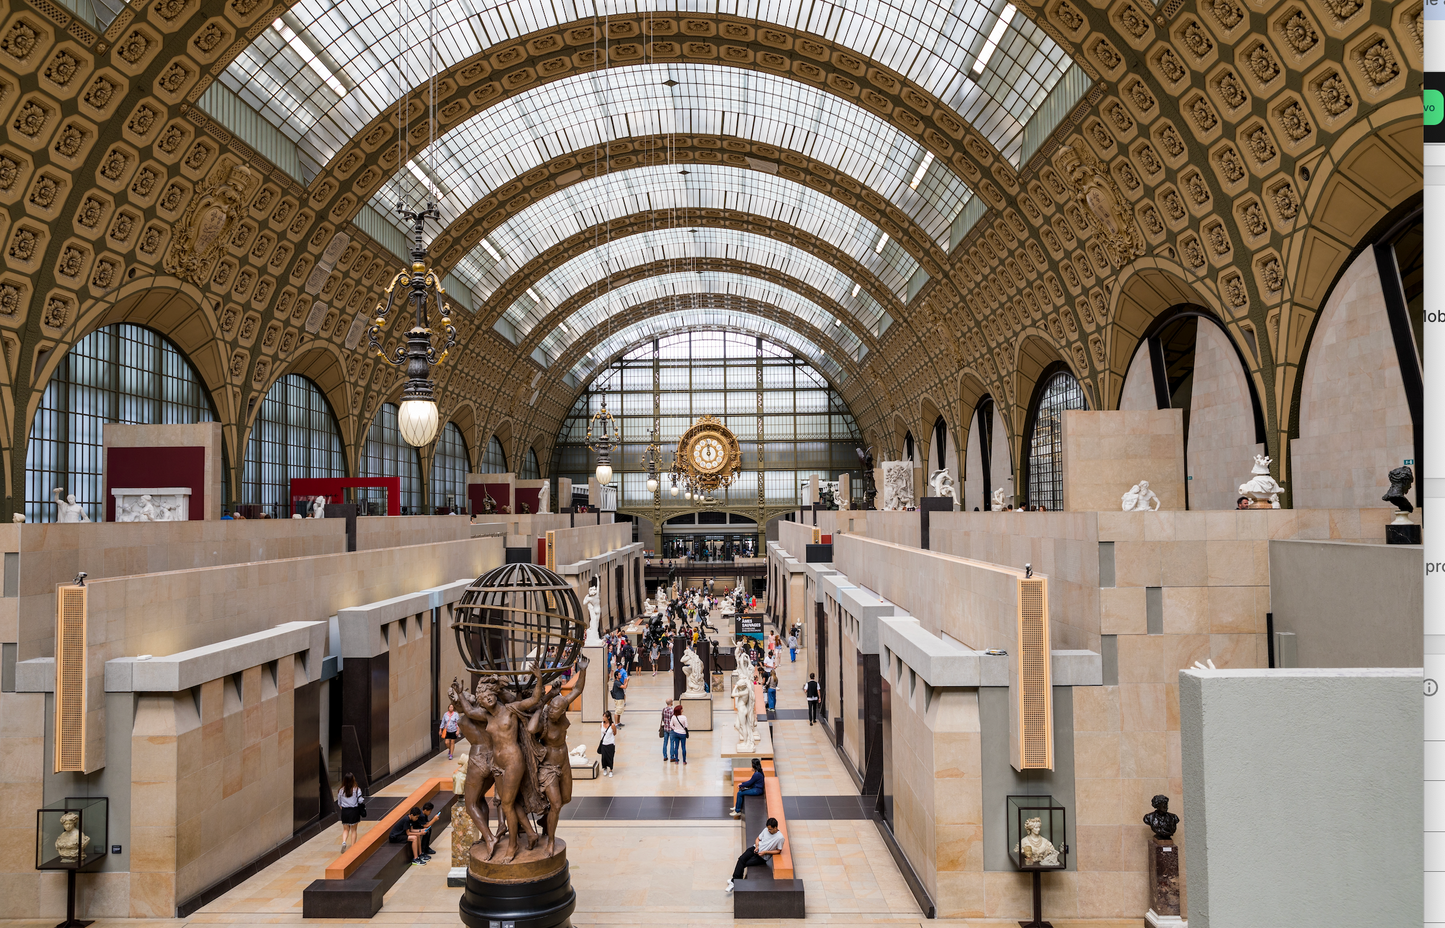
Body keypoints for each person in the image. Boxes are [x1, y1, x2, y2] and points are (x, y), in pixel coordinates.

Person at [726, 818, 786, 892]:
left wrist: (765, 852)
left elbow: (779, 850)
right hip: (755, 848)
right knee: (741, 859)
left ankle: (735, 881)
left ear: (775, 828)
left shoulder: (780, 838)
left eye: (770, 829)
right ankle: (735, 881)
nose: (768, 830)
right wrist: (757, 846)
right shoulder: (765, 830)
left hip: (762, 857)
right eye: (768, 829)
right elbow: (758, 839)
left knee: (745, 863)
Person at [336, 772, 363, 852]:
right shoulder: (357, 789)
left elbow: (339, 803)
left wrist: (342, 807)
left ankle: (344, 842)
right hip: (354, 811)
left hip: (345, 811)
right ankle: (353, 847)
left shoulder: (341, 790)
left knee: (345, 829)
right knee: (353, 830)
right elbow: (360, 801)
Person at [599, 711, 617, 777]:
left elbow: (614, 733)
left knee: (610, 757)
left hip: (610, 743)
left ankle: (611, 770)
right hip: (604, 743)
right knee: (604, 757)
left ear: (608, 717)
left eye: (605, 717)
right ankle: (605, 768)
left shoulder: (612, 725)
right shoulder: (601, 724)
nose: (603, 718)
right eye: (603, 716)